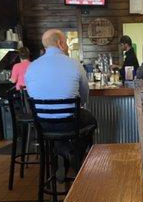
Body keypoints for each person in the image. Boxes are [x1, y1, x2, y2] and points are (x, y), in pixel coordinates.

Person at [25, 29, 97, 177]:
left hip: (42, 125)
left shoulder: (31, 67)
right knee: (91, 121)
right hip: (71, 123)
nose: (67, 46)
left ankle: (62, 150)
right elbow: (84, 96)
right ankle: (74, 155)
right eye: (66, 43)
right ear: (60, 43)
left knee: (57, 130)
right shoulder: (74, 64)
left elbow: (31, 95)